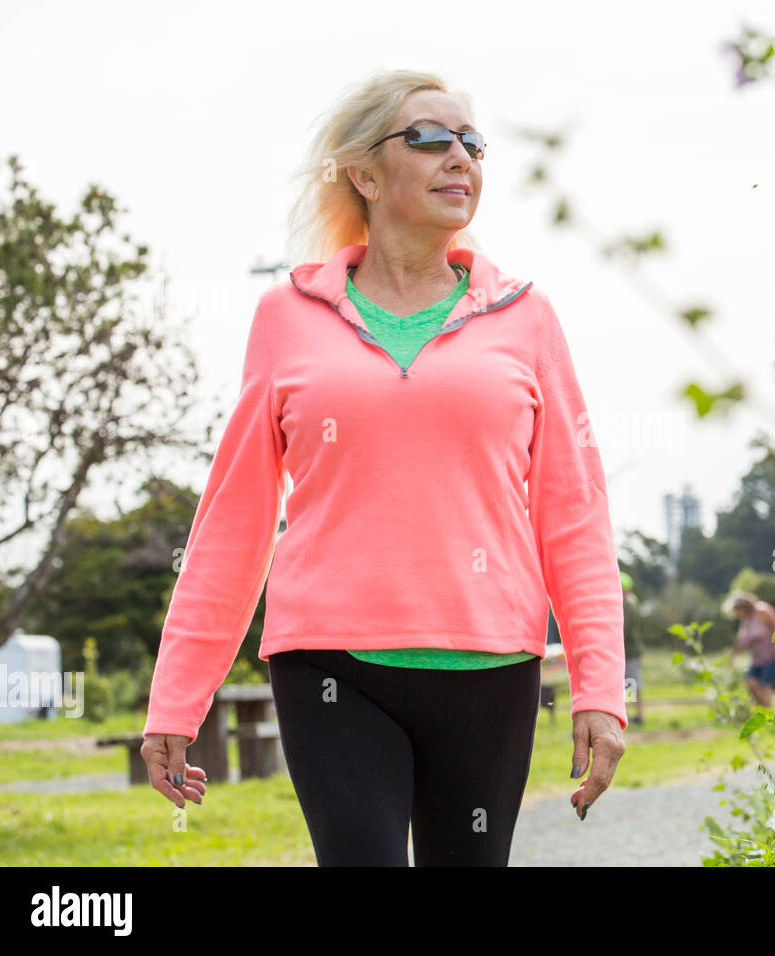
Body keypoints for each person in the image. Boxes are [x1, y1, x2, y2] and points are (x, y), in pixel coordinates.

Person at [139, 69, 627, 866]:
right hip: (331, 667)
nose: (460, 157)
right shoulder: (287, 317)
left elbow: (574, 515)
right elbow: (235, 517)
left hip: (490, 665)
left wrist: (600, 690)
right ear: (364, 173)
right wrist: (176, 699)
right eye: (430, 139)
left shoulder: (525, 317)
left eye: (471, 142)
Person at [723, 590, 775, 708]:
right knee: (750, 683)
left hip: (772, 655)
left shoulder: (762, 610)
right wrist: (732, 655)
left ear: (742, 605)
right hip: (757, 658)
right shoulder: (746, 618)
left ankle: (768, 713)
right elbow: (742, 640)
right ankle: (763, 712)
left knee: (766, 687)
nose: (737, 614)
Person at [620, 571, 645, 725]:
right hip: (632, 650)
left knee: (632, 682)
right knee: (630, 683)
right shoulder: (633, 602)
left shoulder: (626, 605)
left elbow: (624, 629)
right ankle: (632, 714)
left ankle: (635, 714)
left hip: (628, 651)